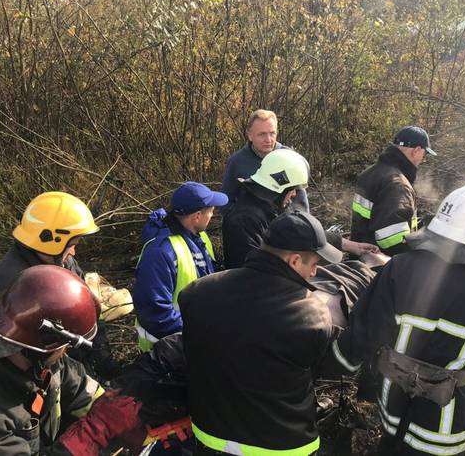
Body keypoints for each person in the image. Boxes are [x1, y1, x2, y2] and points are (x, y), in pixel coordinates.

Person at [332, 183, 465, 455]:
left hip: (393, 402)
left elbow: (365, 331)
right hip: (450, 420)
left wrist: (337, 360)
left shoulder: (400, 267)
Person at [0, 265, 146, 456]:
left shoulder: (39, 360)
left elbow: (80, 390)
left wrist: (120, 414)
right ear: (47, 342)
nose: (66, 351)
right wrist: (92, 434)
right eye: (65, 346)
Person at [180, 211, 343, 455]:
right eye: (314, 264)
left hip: (210, 436)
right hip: (282, 446)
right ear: (295, 261)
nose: (314, 273)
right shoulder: (312, 314)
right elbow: (321, 368)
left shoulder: (197, 291)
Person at [0, 191, 115, 378]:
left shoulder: (61, 263)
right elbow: (21, 357)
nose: (73, 252)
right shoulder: (13, 285)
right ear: (50, 239)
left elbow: (87, 306)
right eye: (71, 244)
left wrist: (102, 358)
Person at [222, 148, 377, 269]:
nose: (295, 194)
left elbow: (302, 232)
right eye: (293, 189)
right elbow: (252, 273)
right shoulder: (244, 220)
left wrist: (351, 246)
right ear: (280, 184)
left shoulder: (273, 206)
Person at [132, 182, 228, 352]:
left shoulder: (200, 237)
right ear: (197, 216)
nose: (213, 214)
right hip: (168, 351)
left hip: (193, 339)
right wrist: (201, 331)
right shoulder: (160, 253)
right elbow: (155, 313)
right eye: (211, 210)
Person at [350, 125, 436, 255]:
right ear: (417, 150)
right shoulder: (398, 185)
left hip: (360, 256)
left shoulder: (372, 171)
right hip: (380, 265)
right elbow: (392, 241)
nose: (423, 160)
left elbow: (375, 218)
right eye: (424, 155)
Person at [220, 109, 309, 213]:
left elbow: (301, 205)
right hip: (251, 225)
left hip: (286, 224)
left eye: (272, 133)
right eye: (262, 134)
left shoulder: (290, 159)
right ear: (249, 135)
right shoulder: (237, 162)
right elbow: (225, 202)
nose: (268, 139)